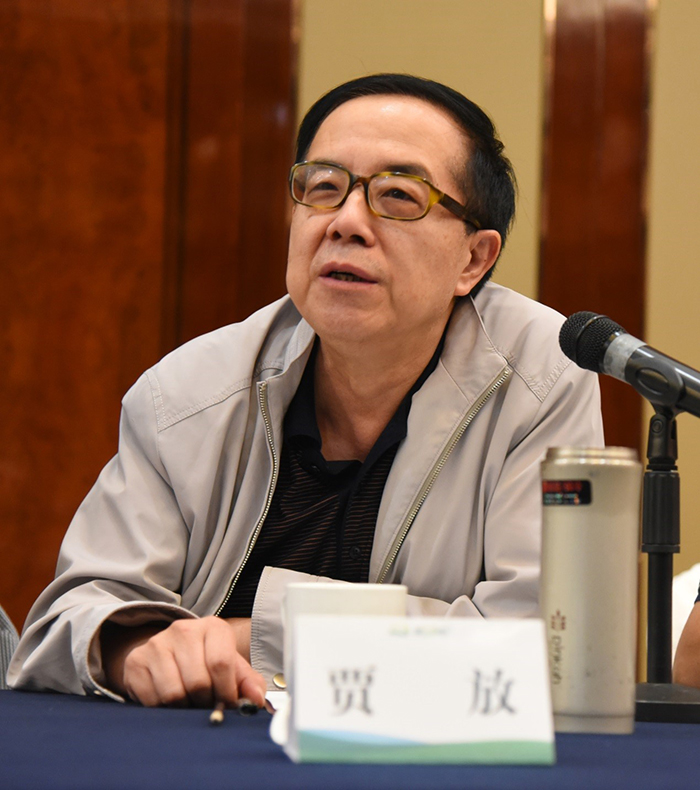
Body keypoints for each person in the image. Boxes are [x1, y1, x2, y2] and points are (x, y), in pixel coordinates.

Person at [8, 73, 603, 708]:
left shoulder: (542, 378)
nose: (346, 223)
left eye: (398, 196)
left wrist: (252, 636)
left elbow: (545, 643)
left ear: (474, 260)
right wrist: (132, 649)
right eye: (323, 188)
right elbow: (65, 623)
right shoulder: (188, 393)